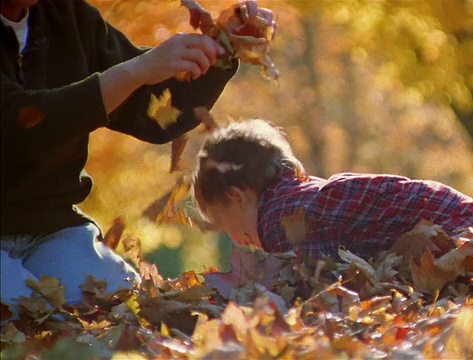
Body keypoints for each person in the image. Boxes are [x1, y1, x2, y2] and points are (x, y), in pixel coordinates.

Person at [0, 0, 274, 312]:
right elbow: (18, 123)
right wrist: (137, 71)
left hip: (52, 227)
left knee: (131, 311)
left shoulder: (67, 17)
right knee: (20, 317)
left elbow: (152, 111)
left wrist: (221, 48)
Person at [192, 119, 473, 262]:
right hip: (469, 220)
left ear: (237, 196)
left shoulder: (279, 221)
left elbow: (315, 284)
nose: (232, 238)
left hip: (465, 237)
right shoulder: (298, 197)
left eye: (222, 224)